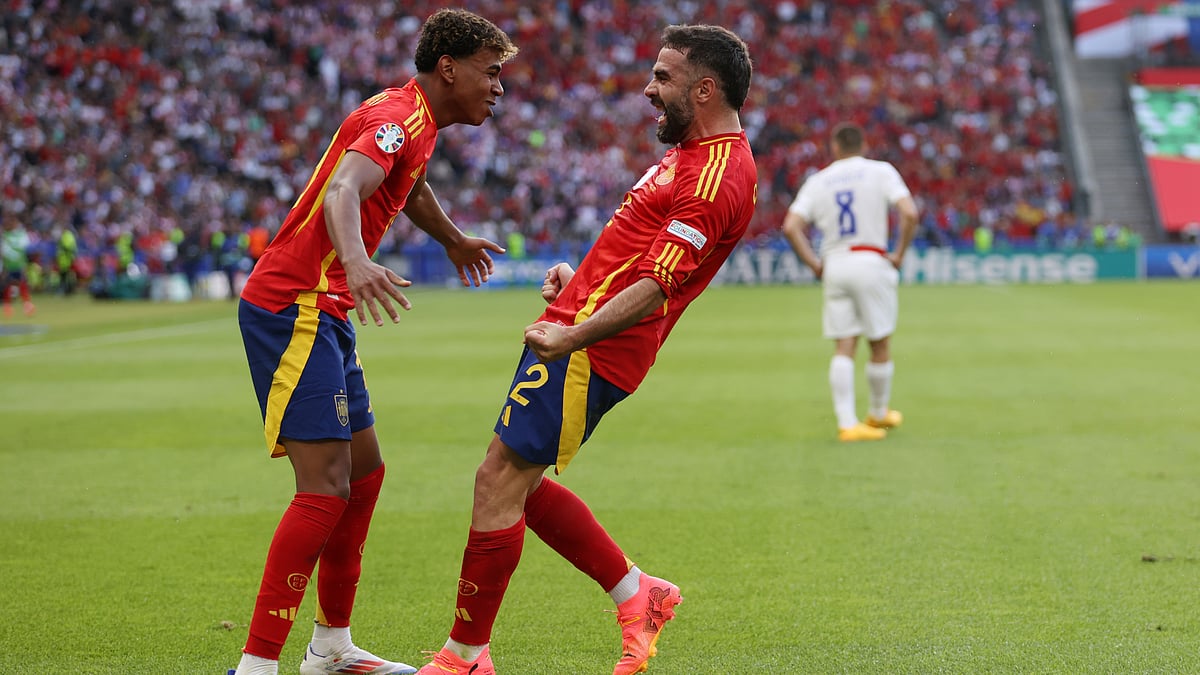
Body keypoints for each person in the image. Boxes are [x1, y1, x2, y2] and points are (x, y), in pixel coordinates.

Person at [416, 24, 756, 675]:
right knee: (515, 480)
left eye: (663, 78)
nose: (649, 90)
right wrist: (581, 285)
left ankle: (465, 657)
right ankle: (638, 593)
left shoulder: (717, 174)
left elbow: (659, 285)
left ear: (705, 89)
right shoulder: (688, 151)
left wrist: (573, 333)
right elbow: (638, 259)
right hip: (578, 330)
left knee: (498, 482)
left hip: (591, 351)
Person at [232, 10, 517, 675]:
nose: (499, 87)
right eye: (491, 71)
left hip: (325, 309)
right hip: (295, 303)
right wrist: (357, 260)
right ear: (450, 66)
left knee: (365, 471)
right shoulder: (395, 118)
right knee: (324, 487)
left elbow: (407, 185)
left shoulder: (417, 125)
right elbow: (343, 190)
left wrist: (451, 238)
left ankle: (331, 646)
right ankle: (254, 665)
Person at [780, 122, 918, 442]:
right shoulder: (880, 171)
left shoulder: (819, 180)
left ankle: (847, 424)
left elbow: (790, 226)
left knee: (844, 344)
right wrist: (898, 252)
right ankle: (879, 413)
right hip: (871, 260)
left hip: (835, 264)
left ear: (835, 147)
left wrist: (814, 264)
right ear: (863, 146)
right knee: (879, 342)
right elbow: (909, 213)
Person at [1, 213, 35, 318]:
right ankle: (8, 306)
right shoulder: (5, 236)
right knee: (8, 285)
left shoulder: (21, 235)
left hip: (19, 264)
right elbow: (3, 252)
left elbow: (26, 249)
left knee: (22, 284)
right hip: (9, 265)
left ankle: (27, 305)